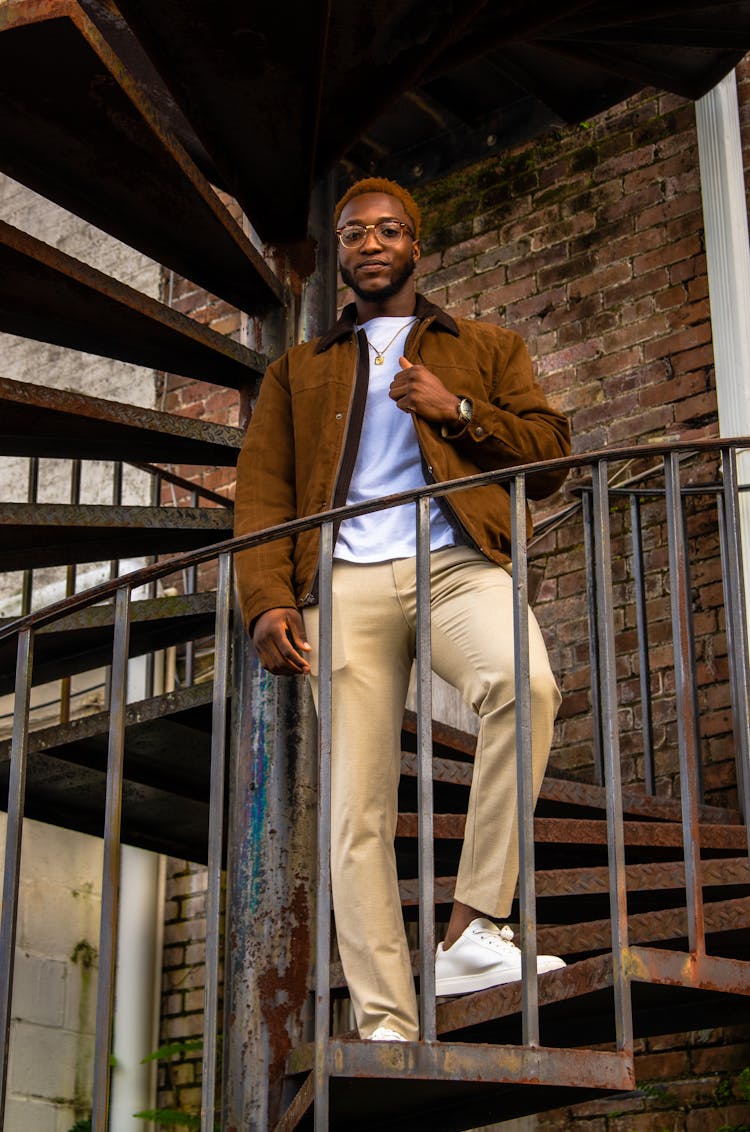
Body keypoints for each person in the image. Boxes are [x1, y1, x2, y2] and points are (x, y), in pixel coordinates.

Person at [234, 177, 571, 1043]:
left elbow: (552, 457)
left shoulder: (485, 345)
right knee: (357, 810)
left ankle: (475, 928)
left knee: (524, 689)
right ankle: (387, 1021)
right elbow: (263, 496)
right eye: (354, 234)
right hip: (342, 585)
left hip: (455, 564)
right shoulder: (296, 371)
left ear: (416, 245)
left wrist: (456, 410)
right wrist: (268, 600)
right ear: (341, 252)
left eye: (389, 231)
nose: (371, 244)